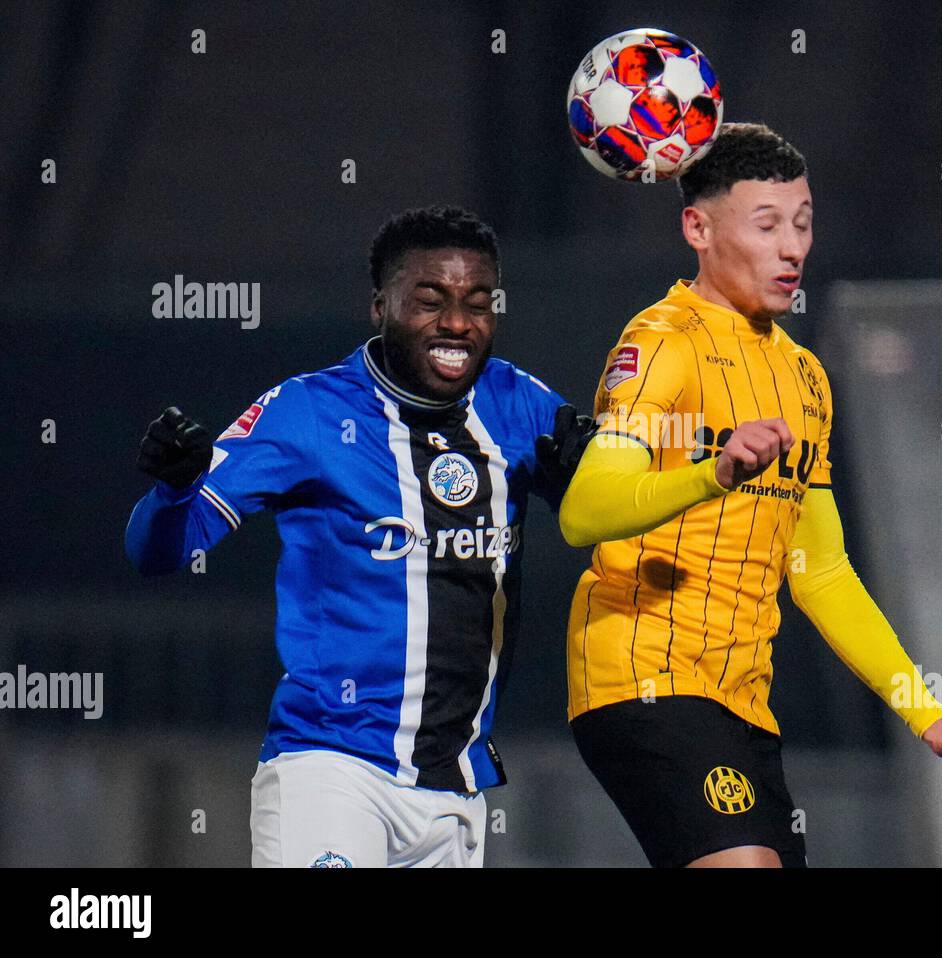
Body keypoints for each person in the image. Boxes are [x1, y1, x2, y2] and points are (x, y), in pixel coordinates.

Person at [558, 123, 942, 868]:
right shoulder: (662, 344)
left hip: (741, 700)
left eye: (802, 223)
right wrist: (715, 473)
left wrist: (925, 713)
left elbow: (823, 572)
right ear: (698, 228)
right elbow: (584, 511)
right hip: (643, 679)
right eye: (766, 224)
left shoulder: (804, 375)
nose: (793, 248)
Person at [126, 205, 594, 867]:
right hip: (333, 773)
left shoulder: (520, 405)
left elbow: (606, 519)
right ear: (380, 306)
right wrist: (173, 491)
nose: (456, 323)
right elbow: (158, 552)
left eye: (477, 302)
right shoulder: (307, 413)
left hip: (456, 792)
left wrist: (599, 482)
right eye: (430, 300)